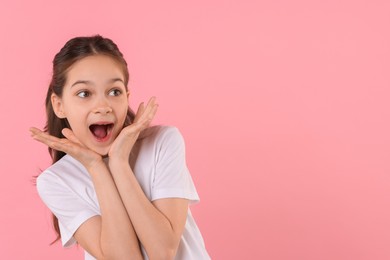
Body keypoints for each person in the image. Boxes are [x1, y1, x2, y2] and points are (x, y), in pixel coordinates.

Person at [31, 35, 210, 260]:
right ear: (59, 105)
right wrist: (97, 168)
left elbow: (164, 251)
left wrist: (119, 163)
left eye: (114, 92)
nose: (102, 106)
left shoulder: (163, 142)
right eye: (84, 94)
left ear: (127, 97)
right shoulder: (57, 180)